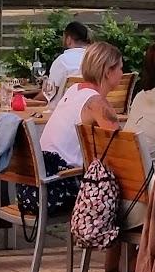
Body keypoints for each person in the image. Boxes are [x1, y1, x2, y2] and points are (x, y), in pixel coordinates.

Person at [17, 40, 123, 217]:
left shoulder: (74, 90)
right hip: (57, 187)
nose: (122, 73)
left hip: (33, 185)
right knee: (120, 191)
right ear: (107, 71)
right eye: (120, 68)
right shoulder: (97, 103)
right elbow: (120, 147)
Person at [48, 20, 91, 95]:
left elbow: (50, 92)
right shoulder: (96, 60)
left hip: (65, 102)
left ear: (68, 39)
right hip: (91, 101)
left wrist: (30, 99)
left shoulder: (63, 60)